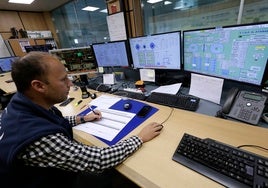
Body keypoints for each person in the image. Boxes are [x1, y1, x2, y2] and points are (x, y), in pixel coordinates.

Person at [0, 52, 163, 188]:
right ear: (39, 86)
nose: (70, 83)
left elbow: (53, 121)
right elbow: (99, 160)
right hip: (47, 183)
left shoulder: (21, 104)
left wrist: (82, 118)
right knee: (110, 176)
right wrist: (140, 138)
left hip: (41, 174)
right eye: (64, 79)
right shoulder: (39, 139)